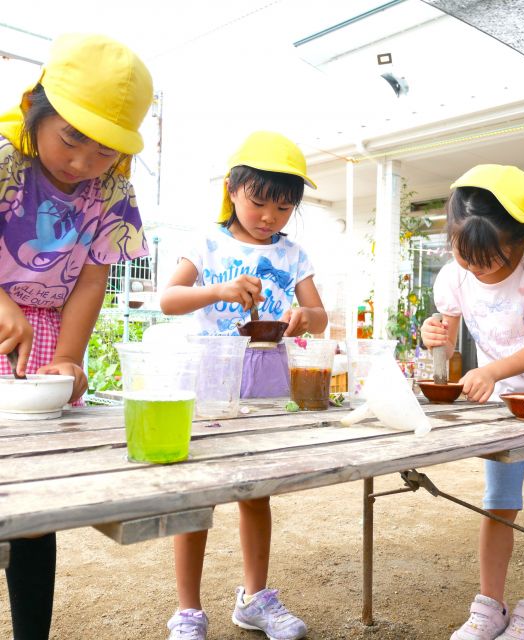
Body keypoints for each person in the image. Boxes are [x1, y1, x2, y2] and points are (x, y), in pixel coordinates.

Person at [0, 33, 152, 640]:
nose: (84, 161)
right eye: (71, 138)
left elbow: (92, 282)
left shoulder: (113, 192)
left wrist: (66, 356)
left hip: (42, 339)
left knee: (36, 502)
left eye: (105, 150)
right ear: (36, 106)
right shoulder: (4, 161)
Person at [160, 130, 328, 640]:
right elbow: (168, 298)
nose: (268, 217)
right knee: (198, 494)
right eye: (259, 202)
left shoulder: (293, 253)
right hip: (210, 382)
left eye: (283, 208)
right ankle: (188, 608)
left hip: (266, 382)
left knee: (257, 493)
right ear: (232, 188)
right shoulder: (206, 243)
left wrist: (306, 315)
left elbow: (319, 317)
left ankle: (254, 598)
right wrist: (218, 289)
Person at [420, 164, 524, 640]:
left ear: (519, 243)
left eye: (486, 260)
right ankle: (489, 606)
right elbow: (443, 352)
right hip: (505, 406)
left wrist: (489, 370)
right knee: (498, 505)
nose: (474, 268)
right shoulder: (454, 276)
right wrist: (433, 338)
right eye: (464, 256)